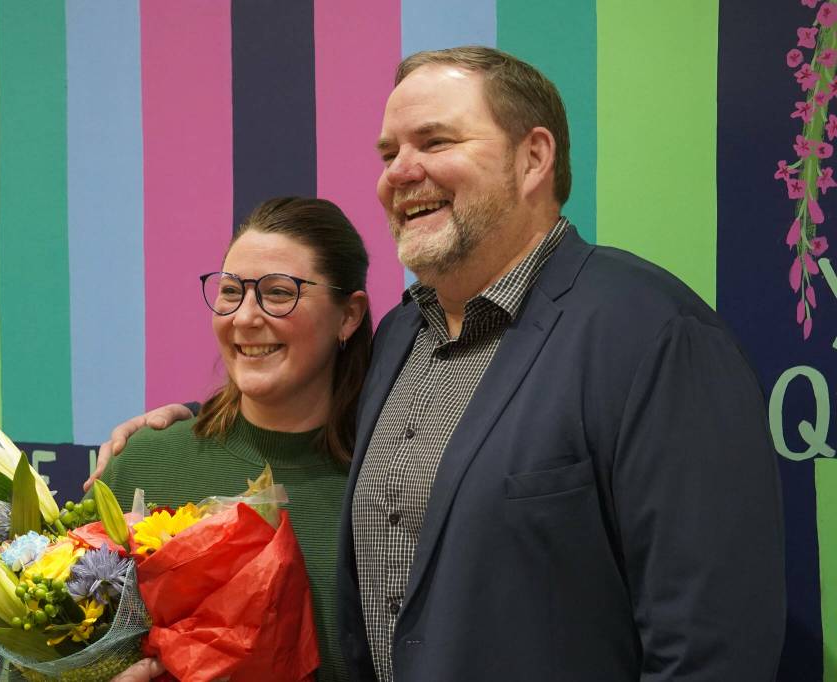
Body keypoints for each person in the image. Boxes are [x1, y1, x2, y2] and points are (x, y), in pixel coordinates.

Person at [90, 47, 786, 681]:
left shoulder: (654, 335)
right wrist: (176, 424)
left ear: (533, 158)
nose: (401, 173)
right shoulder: (400, 337)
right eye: (389, 152)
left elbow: (711, 647)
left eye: (436, 142)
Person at [101, 196, 370, 682]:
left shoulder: (385, 486)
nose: (244, 317)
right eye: (230, 292)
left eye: (279, 292)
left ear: (348, 316)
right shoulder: (142, 464)